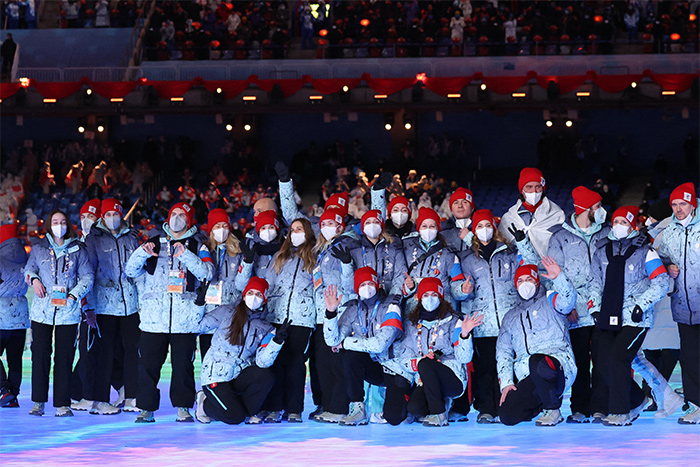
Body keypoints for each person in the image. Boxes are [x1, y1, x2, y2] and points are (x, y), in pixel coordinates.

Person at [125, 202, 214, 423]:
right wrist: (141, 254)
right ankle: (146, 408)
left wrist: (185, 255)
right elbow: (130, 270)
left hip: (185, 318)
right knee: (147, 365)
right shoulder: (153, 241)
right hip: (154, 318)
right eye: (174, 213)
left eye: (181, 215)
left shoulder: (198, 245)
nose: (176, 218)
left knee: (183, 365)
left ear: (189, 220)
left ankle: (183, 407)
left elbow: (207, 273)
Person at [589, 206, 669, 426]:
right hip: (607, 316)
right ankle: (637, 400)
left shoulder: (646, 251)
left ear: (633, 225)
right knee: (603, 364)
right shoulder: (601, 251)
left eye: (625, 222)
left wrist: (641, 305)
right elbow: (594, 282)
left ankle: (621, 412)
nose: (619, 226)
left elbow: (661, 281)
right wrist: (594, 308)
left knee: (617, 360)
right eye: (617, 221)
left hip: (636, 319)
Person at [456, 209, 535, 424]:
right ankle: (487, 409)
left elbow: (531, 265)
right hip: (483, 322)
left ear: (495, 227)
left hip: (510, 321)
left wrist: (524, 242)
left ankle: (515, 407)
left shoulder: (510, 252)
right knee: (486, 369)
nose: (484, 230)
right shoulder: (466, 259)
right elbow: (455, 290)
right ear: (474, 231)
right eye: (480, 226)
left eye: (488, 225)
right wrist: (463, 290)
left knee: (514, 366)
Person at [547, 186, 610, 423]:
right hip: (575, 312)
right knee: (580, 362)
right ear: (585, 208)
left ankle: (600, 407)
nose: (601, 210)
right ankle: (580, 407)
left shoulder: (607, 233)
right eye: (597, 206)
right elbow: (553, 275)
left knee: (603, 360)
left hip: (602, 309)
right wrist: (566, 306)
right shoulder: (560, 237)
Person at [24, 209, 94, 417]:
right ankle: (38, 402)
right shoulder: (39, 249)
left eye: (63, 221)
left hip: (68, 312)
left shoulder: (78, 250)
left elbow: (88, 277)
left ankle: (62, 403)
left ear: (68, 225)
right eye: (55, 221)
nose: (59, 225)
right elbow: (28, 270)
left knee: (64, 358)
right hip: (42, 311)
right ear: (49, 224)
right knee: (40, 355)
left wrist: (74, 295)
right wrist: (34, 280)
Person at [194, 277, 288, 425]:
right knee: (234, 417)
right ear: (244, 296)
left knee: (266, 376)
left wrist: (276, 342)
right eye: (250, 292)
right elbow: (196, 328)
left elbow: (262, 362)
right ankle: (204, 404)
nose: (254, 297)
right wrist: (199, 304)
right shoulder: (226, 312)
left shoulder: (266, 328)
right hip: (216, 376)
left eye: (258, 294)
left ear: (264, 299)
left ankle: (244, 411)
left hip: (239, 374)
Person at [323, 268, 410, 426]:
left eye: (371, 283)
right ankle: (357, 408)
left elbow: (379, 345)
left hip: (394, 367)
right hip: (372, 367)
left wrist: (345, 343)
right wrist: (330, 313)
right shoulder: (352, 308)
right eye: (363, 284)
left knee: (394, 417)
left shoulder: (392, 306)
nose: (367, 287)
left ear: (377, 284)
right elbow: (332, 341)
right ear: (356, 287)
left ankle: (412, 402)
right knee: (350, 356)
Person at [497, 259, 577, 426]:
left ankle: (553, 409)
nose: (525, 284)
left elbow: (568, 301)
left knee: (538, 361)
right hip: (529, 374)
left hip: (558, 367)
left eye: (529, 279)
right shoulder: (510, 317)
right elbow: (503, 352)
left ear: (537, 281)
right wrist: (506, 383)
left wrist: (559, 278)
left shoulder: (551, 300)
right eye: (520, 280)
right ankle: (540, 405)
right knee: (507, 415)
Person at [398, 277, 483, 427]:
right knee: (415, 408)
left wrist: (464, 335)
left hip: (452, 378)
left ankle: (439, 414)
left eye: (434, 294)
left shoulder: (454, 320)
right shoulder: (411, 324)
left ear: (441, 297)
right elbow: (404, 357)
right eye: (425, 295)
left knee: (426, 364)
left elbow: (464, 357)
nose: (430, 299)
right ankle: (443, 402)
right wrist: (421, 361)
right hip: (425, 379)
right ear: (419, 298)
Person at [84, 198, 141, 415]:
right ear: (102, 217)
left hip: (130, 305)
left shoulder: (131, 237)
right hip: (104, 305)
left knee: (132, 351)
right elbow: (88, 273)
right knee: (104, 353)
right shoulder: (94, 239)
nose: (112, 218)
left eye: (115, 214)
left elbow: (138, 267)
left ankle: (132, 397)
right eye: (107, 214)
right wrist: (88, 306)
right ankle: (99, 400)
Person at [259, 218, 317, 423]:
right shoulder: (280, 256)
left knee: (296, 365)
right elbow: (268, 284)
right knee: (275, 362)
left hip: (302, 320)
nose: (295, 233)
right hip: (276, 317)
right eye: (292, 230)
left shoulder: (314, 258)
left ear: (308, 232)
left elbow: (319, 289)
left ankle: (294, 409)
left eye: (299, 229)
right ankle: (274, 407)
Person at [310, 208, 358, 423]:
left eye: (332, 224)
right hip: (322, 314)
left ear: (340, 226)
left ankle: (339, 407)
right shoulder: (323, 249)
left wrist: (347, 265)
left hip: (340, 314)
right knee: (324, 364)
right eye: (324, 223)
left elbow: (350, 284)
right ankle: (329, 405)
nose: (327, 227)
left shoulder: (347, 246)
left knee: (337, 364)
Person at [657, 183, 700, 424]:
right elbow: (659, 258)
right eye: (674, 204)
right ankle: (696, 405)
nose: (678, 208)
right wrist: (666, 267)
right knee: (690, 358)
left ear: (692, 203)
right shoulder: (670, 231)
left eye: (682, 204)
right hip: (684, 307)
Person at [201, 208, 253, 361]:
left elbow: (242, 284)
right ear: (211, 229)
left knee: (230, 358)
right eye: (217, 226)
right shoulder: (203, 250)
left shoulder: (238, 252)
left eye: (224, 226)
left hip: (232, 312)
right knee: (207, 358)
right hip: (209, 313)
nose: (221, 230)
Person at [400, 207, 466, 315]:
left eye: (432, 226)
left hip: (442, 309)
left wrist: (463, 289)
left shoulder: (449, 255)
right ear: (419, 229)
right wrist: (409, 287)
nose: (428, 229)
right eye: (424, 226)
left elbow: (457, 282)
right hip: (414, 310)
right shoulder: (407, 252)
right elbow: (398, 281)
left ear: (438, 229)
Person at [335, 209, 407, 297]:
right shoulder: (355, 252)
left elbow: (400, 277)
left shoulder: (394, 250)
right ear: (363, 228)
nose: (372, 225)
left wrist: (393, 299)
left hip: (389, 300)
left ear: (381, 226)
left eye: (376, 222)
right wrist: (347, 265)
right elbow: (348, 287)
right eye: (368, 222)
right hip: (362, 302)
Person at [499, 168, 565, 258]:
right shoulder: (509, 218)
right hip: (519, 269)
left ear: (543, 188)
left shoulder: (557, 214)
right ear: (522, 190)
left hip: (549, 268)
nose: (534, 191)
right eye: (529, 187)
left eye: (538, 187)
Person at [0, 223, 29, 408]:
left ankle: (4, 390)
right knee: (15, 359)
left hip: (1, 317)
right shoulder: (26, 258)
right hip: (20, 317)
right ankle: (14, 395)